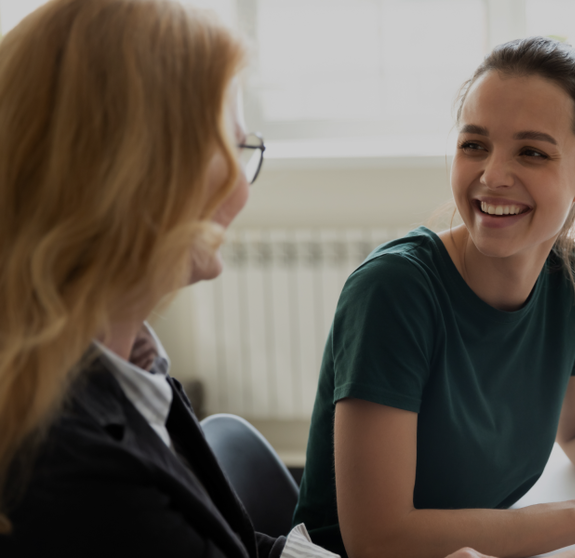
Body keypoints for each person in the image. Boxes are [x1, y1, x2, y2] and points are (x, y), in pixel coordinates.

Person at [0, 1, 528, 558]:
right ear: (128, 170)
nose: (241, 188)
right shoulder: (74, 470)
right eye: (230, 147)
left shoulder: (126, 372)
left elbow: (237, 548)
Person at [293, 36, 575, 558]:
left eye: (531, 152)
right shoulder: (393, 291)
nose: (492, 175)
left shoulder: (568, 284)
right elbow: (379, 539)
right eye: (474, 145)